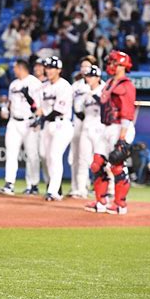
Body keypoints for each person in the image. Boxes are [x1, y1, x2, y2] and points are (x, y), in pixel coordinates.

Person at [85, 51, 136, 215]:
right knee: (96, 164)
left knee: (117, 166)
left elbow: (128, 112)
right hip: (106, 127)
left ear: (122, 66)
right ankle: (100, 202)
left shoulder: (126, 85)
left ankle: (120, 204)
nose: (111, 65)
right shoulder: (108, 83)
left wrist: (123, 138)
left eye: (115, 63)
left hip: (120, 127)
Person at [0, 59, 42, 196]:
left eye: (15, 67)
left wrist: (37, 120)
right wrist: (5, 110)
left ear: (21, 68)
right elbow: (10, 102)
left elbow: (40, 105)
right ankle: (9, 184)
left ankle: (33, 185)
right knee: (11, 153)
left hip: (29, 122)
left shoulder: (35, 83)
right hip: (14, 121)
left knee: (32, 154)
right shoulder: (14, 84)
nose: (13, 70)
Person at [37, 56, 74, 201]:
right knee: (44, 155)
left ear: (59, 70)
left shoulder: (64, 86)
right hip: (48, 125)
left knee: (54, 155)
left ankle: (52, 191)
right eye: (47, 67)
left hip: (62, 124)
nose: (49, 70)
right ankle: (54, 186)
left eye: (52, 68)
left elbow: (58, 110)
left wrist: (42, 118)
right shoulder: (44, 86)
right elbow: (40, 108)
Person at [74, 65, 105, 199]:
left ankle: (106, 189)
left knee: (101, 160)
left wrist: (96, 97)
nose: (89, 78)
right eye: (87, 76)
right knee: (83, 160)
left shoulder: (104, 90)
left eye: (91, 76)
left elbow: (106, 109)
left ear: (98, 77)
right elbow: (79, 111)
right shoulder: (85, 93)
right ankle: (81, 189)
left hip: (99, 128)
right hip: (86, 128)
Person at [68, 56, 95, 198]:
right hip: (77, 122)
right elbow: (68, 102)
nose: (84, 68)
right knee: (75, 157)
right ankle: (76, 187)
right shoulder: (76, 85)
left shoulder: (99, 84)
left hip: (93, 121)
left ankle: (91, 186)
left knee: (93, 157)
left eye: (87, 66)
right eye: (82, 66)